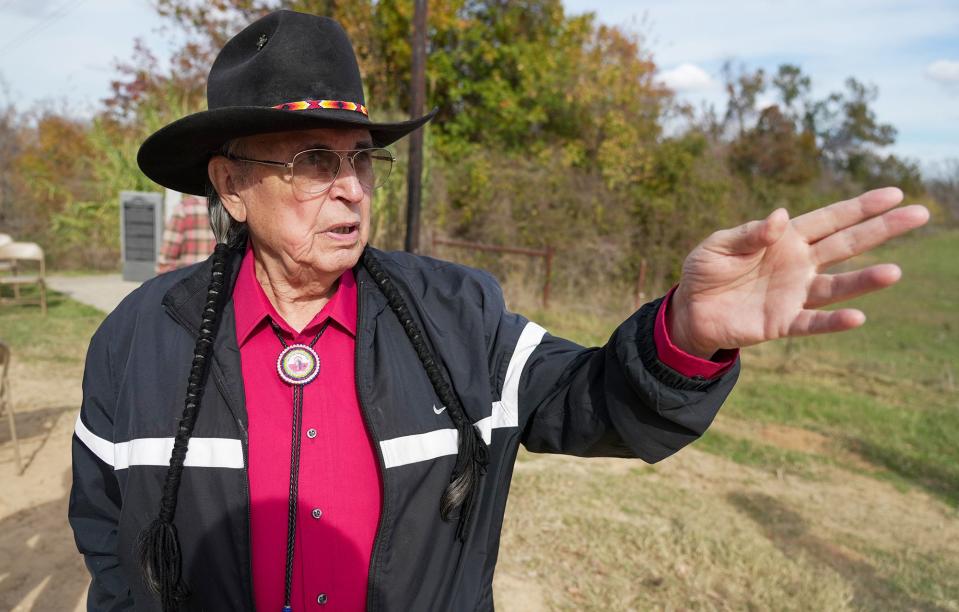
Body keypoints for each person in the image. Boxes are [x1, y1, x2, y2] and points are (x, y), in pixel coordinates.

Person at [67, 10, 929, 612]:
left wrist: (688, 334)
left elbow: (594, 404)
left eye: (362, 160)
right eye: (311, 159)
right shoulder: (140, 340)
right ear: (231, 186)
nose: (349, 189)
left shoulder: (455, 313)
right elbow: (109, 541)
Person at [156, 194, 217, 274]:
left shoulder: (183, 208)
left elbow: (168, 254)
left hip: (189, 275)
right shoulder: (225, 208)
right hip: (217, 276)